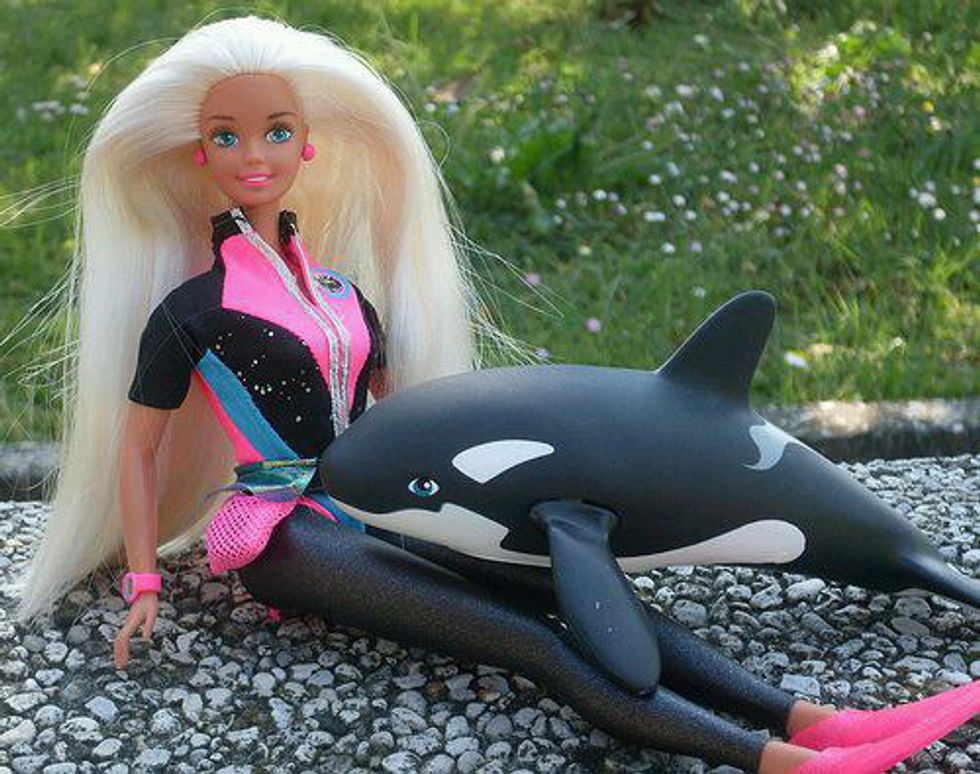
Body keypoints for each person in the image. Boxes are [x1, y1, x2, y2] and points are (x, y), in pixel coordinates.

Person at [11, 16, 977, 774]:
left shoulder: (343, 294)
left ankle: (810, 717)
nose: (252, 153)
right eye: (227, 136)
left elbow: (395, 412)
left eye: (275, 131)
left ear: (307, 147)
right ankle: (778, 761)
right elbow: (138, 447)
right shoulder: (194, 310)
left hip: (372, 500)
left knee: (574, 590)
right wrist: (144, 580)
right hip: (280, 533)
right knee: (532, 643)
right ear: (200, 156)